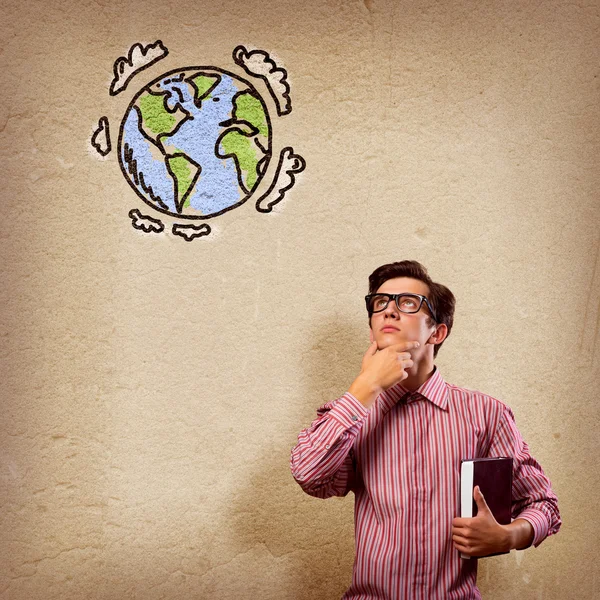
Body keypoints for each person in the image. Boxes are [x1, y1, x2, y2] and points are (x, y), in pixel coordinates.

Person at [290, 260, 561, 600]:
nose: (388, 311)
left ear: (437, 332)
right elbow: (308, 475)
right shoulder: (354, 414)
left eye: (406, 303)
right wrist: (366, 387)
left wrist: (509, 536)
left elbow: (543, 503)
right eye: (380, 303)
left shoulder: (486, 414)